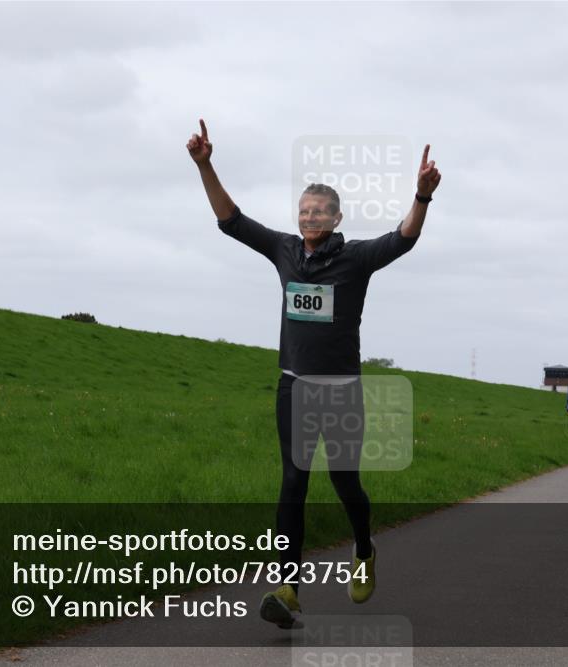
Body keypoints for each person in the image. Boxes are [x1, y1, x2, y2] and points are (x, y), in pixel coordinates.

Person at [188, 119, 440, 629]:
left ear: (336, 217)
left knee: (345, 483)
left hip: (341, 392)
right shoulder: (284, 250)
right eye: (303, 210)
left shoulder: (356, 258)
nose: (309, 217)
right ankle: (288, 590)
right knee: (293, 482)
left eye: (319, 211)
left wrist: (421, 196)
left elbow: (404, 238)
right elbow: (232, 220)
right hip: (294, 387)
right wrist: (204, 166)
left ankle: (364, 549)